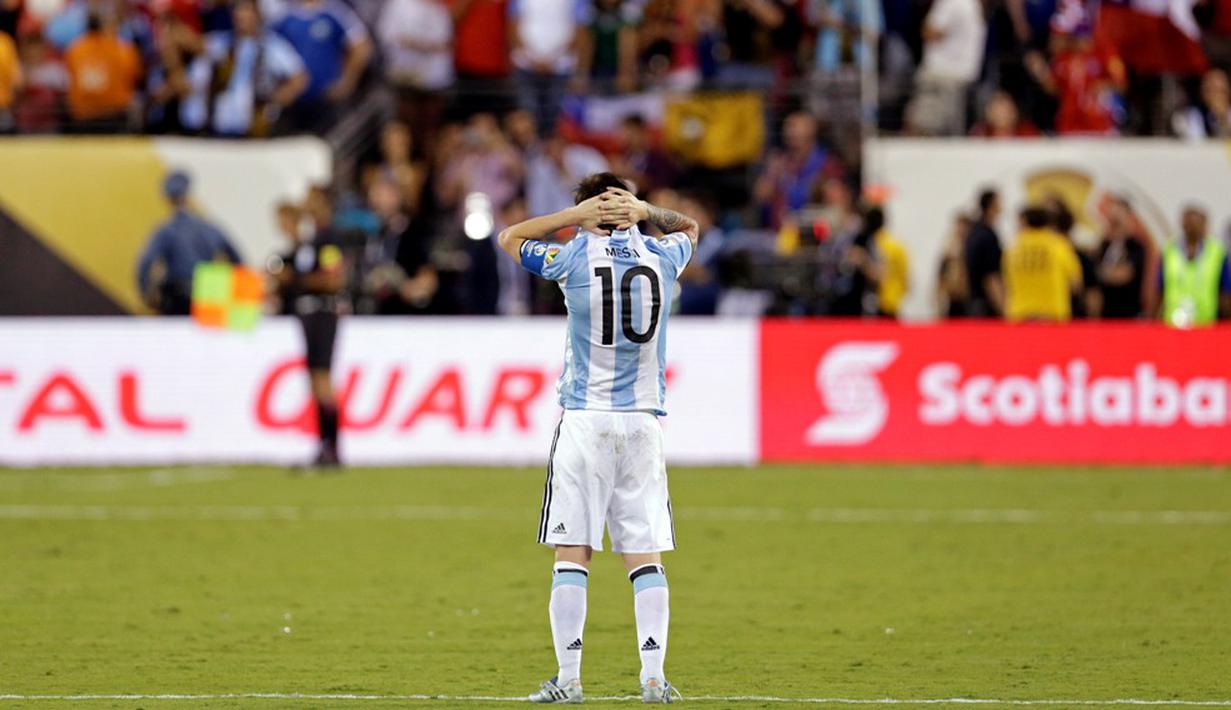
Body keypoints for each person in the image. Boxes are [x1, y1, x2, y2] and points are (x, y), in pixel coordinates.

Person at [495, 172, 696, 704]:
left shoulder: (572, 258)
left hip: (586, 420)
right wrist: (644, 208)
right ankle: (653, 677)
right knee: (644, 553)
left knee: (572, 551)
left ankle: (568, 680)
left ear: (586, 212)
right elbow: (692, 227)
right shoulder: (665, 254)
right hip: (643, 424)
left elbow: (509, 236)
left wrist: (573, 219)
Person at [270, 193, 347, 467]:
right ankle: (323, 446)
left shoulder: (328, 240)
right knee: (315, 381)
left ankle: (333, 447)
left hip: (323, 314)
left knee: (323, 380)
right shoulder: (308, 243)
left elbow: (333, 280)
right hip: (306, 315)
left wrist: (293, 279)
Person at [186, 0, 308, 136]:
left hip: (253, 132)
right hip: (220, 129)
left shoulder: (271, 46)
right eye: (237, 12)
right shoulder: (223, 42)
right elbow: (193, 44)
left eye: (246, 12)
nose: (240, 17)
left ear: (256, 14)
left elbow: (299, 79)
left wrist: (271, 104)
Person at [136, 171, 243, 316]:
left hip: (177, 301)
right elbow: (238, 261)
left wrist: (147, 294)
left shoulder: (166, 230)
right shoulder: (210, 228)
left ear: (168, 199)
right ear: (188, 195)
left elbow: (146, 263)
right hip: (210, 298)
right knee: (207, 338)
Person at [270, 0, 372, 132]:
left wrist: (347, 82)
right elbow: (268, 48)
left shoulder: (335, 11)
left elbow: (361, 46)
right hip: (293, 104)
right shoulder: (282, 16)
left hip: (327, 102)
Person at [904, 0, 985, 136]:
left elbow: (931, 32)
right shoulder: (961, 3)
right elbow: (932, 32)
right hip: (950, 77)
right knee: (935, 132)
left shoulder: (961, 3)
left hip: (949, 79)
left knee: (934, 132)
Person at [1002, 205, 1081, 322]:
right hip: (1052, 315)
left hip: (1020, 316)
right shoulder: (1059, 245)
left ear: (1025, 222)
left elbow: (1006, 284)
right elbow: (1075, 284)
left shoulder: (1012, 248)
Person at [64, 12, 141, 131]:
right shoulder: (123, 50)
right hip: (114, 117)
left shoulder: (74, 48)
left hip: (83, 119)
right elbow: (136, 77)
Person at [1157, 205, 1231, 328]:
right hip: (1172, 324)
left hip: (1205, 324)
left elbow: (1225, 292)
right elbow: (1159, 290)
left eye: (1196, 223)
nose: (1192, 228)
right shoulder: (1169, 251)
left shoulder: (1217, 252)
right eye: (1189, 223)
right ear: (1182, 224)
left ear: (1204, 226)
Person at [1094, 195, 1147, 319]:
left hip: (1128, 315)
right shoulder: (1103, 246)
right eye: (1111, 219)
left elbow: (1123, 275)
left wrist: (1101, 273)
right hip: (1105, 315)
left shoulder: (1135, 246)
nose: (1113, 224)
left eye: (1118, 220)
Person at [963, 189, 1004, 318]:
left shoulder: (973, 231)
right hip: (987, 305)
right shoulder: (987, 235)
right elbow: (990, 276)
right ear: (992, 205)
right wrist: (1002, 307)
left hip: (973, 301)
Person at [873, 206, 910, 318]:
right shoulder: (897, 245)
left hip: (877, 300)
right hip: (893, 298)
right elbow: (905, 276)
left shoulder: (874, 243)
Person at [937, 212, 971, 317]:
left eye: (964, 227)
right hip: (953, 297)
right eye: (958, 226)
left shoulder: (971, 249)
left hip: (968, 297)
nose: (960, 230)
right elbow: (941, 276)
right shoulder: (949, 250)